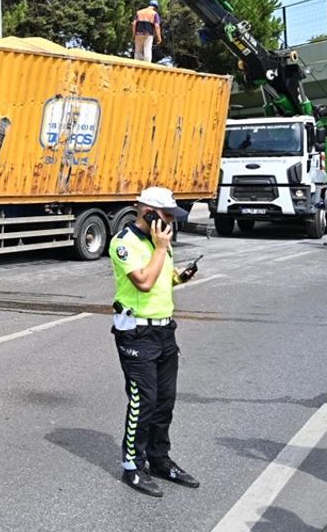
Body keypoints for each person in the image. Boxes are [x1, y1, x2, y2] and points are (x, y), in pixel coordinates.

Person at [108, 186, 200, 497]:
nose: (171, 222)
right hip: (136, 332)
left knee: (165, 400)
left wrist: (179, 277)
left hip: (164, 331)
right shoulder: (124, 243)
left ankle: (159, 459)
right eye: (166, 215)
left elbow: (161, 277)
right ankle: (132, 466)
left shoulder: (158, 242)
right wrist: (161, 248)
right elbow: (144, 282)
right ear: (148, 211)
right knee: (143, 401)